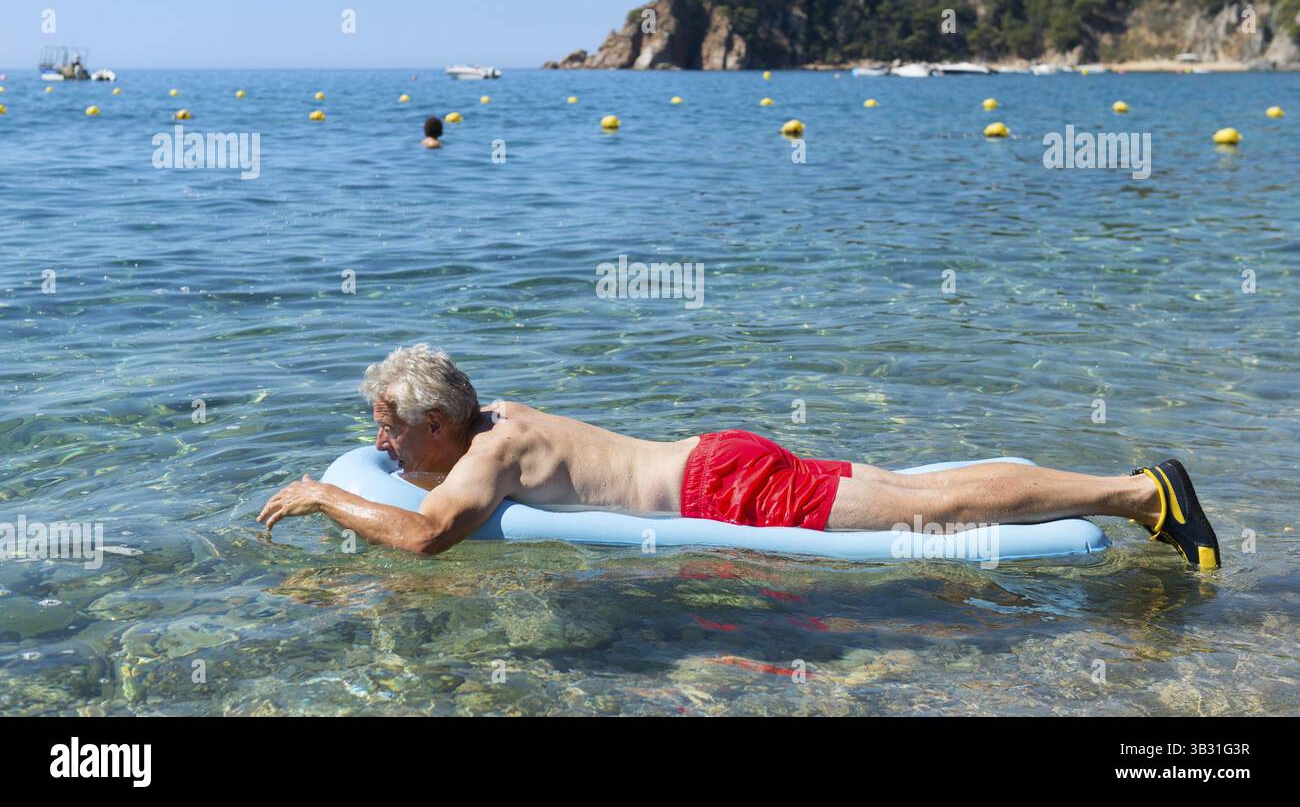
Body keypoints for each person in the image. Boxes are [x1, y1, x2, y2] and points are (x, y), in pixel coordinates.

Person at [258, 344, 1220, 569]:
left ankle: (1141, 494)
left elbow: (427, 538)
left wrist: (323, 495)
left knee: (930, 509)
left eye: (390, 430)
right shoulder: (494, 415)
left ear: (436, 426)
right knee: (917, 491)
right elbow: (442, 466)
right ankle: (1133, 490)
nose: (380, 446)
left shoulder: (483, 457)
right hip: (719, 456)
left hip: (726, 486)